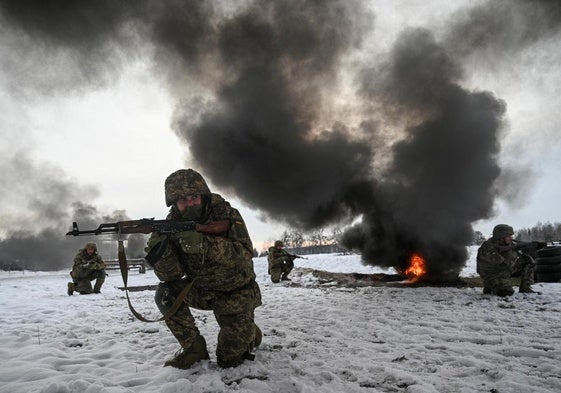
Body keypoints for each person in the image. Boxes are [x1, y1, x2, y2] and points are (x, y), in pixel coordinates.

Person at [145, 169, 262, 369]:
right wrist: (161, 254)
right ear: (174, 202)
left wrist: (204, 244)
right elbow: (172, 275)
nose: (189, 203)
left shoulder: (226, 214)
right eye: (182, 200)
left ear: (203, 195)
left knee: (229, 361)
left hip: (235, 293)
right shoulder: (171, 224)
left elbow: (244, 257)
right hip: (201, 290)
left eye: (193, 197)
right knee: (166, 293)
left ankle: (249, 330)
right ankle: (194, 349)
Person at [476, 224, 536, 296]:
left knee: (527, 260)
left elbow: (510, 264)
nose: (511, 238)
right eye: (508, 236)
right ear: (500, 237)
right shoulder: (487, 247)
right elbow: (505, 264)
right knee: (506, 292)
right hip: (491, 275)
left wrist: (528, 250)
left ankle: (525, 288)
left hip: (502, 272)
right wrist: (513, 251)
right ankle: (489, 286)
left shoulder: (507, 244)